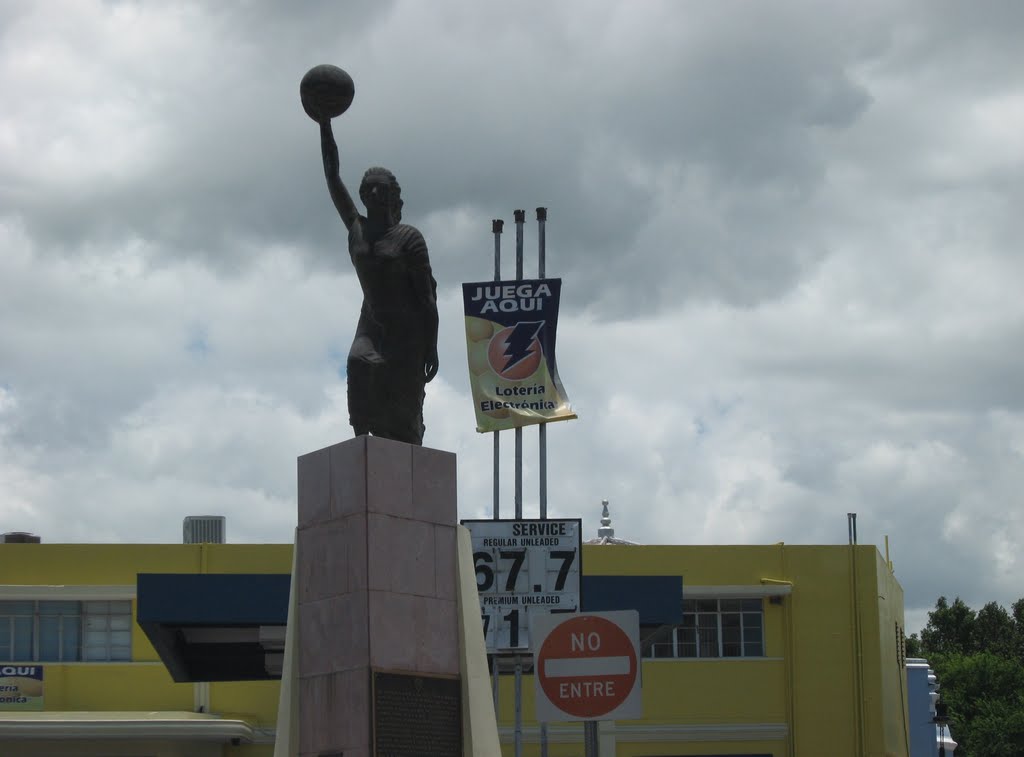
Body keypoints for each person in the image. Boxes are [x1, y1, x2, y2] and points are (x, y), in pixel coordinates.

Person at [319, 119, 439, 445]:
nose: (372, 192)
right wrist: (324, 123)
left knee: (403, 416)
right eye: (367, 188)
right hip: (372, 321)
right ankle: (361, 451)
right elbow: (332, 177)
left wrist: (431, 346)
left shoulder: (409, 238)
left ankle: (404, 452)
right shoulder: (357, 229)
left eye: (380, 188)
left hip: (407, 330)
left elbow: (427, 299)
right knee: (358, 363)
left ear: (392, 195)